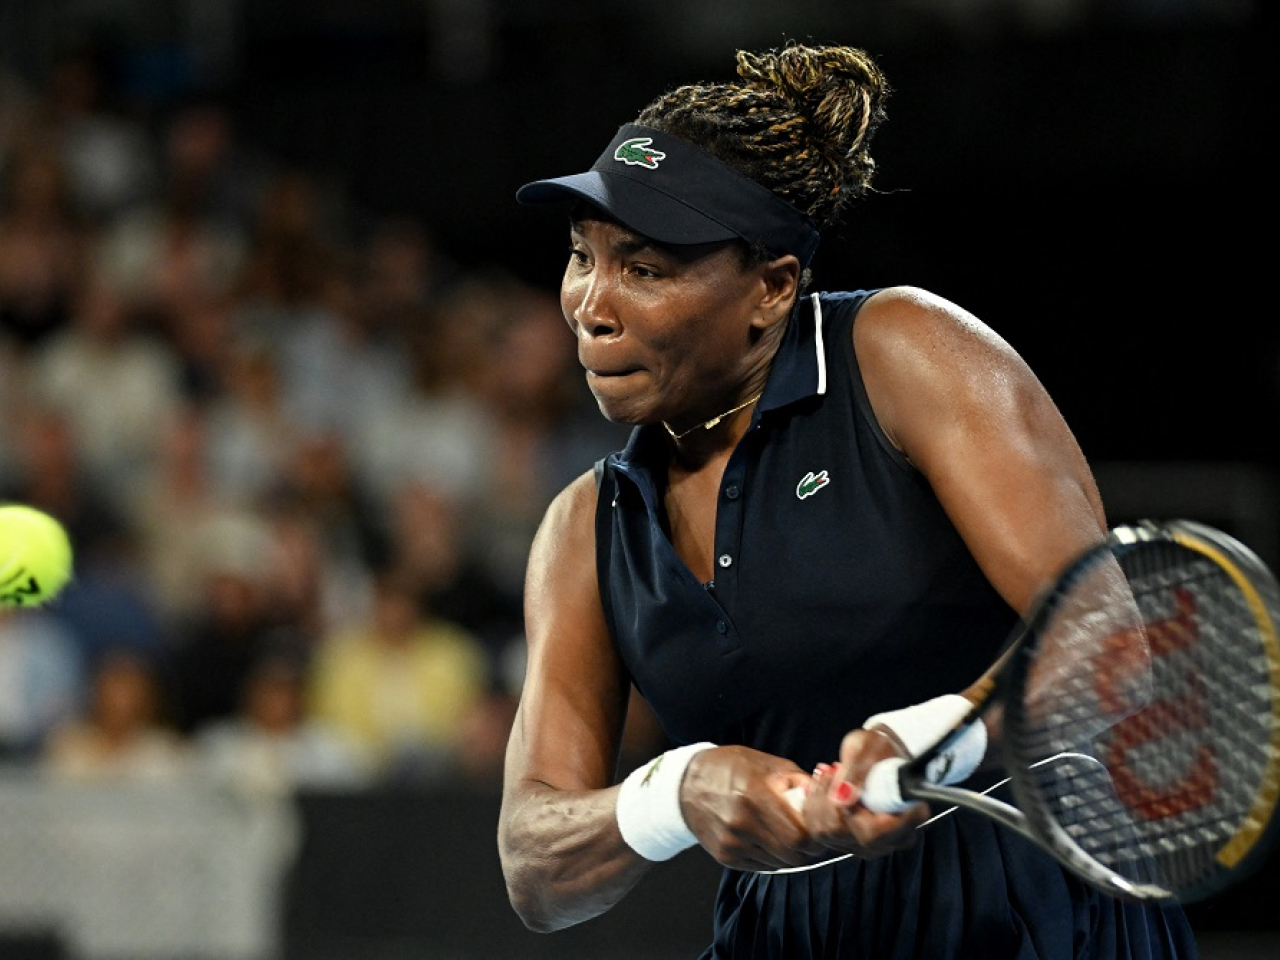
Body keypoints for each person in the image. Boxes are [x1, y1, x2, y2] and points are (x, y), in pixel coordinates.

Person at [496, 41, 1199, 960]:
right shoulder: (583, 529)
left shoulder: (903, 353)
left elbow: (1107, 638)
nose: (592, 303)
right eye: (582, 257)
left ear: (772, 288)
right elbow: (533, 865)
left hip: (1029, 910)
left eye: (645, 268)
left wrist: (933, 741)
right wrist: (675, 792)